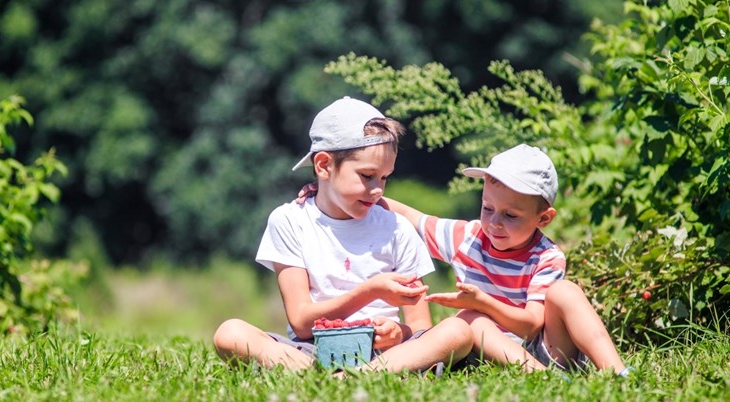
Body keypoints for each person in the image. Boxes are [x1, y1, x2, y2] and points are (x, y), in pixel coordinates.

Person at [213, 97, 473, 373]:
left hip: (387, 353)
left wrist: (399, 332)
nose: (378, 190)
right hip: (313, 349)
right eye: (367, 175)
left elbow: (421, 327)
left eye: (385, 178)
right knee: (230, 333)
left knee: (458, 330)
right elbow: (301, 322)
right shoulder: (289, 221)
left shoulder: (397, 228)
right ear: (324, 166)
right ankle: (334, 374)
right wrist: (370, 291)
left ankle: (350, 377)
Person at [381, 144, 632, 376]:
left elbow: (532, 326)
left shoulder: (546, 256)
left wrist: (483, 302)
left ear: (543, 219)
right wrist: (362, 196)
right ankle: (544, 379)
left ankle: (617, 372)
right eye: (487, 208)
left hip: (544, 351)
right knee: (472, 318)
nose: (494, 223)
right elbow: (411, 217)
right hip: (488, 354)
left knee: (565, 291)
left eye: (510, 215)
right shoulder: (468, 238)